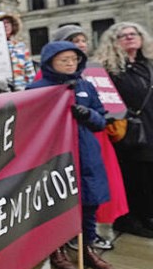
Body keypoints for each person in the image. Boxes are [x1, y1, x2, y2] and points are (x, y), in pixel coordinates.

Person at [27, 41, 115, 269]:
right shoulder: (37, 89)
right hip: (55, 156)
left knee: (89, 202)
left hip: (86, 154)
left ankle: (86, 248)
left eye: (73, 59)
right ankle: (56, 249)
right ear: (50, 61)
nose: (69, 63)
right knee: (56, 203)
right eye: (63, 59)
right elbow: (29, 124)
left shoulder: (85, 86)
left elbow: (101, 120)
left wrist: (88, 115)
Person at [48, 24, 128, 240]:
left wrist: (89, 115)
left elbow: (100, 115)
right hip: (61, 151)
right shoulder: (43, 84)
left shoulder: (86, 82)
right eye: (75, 41)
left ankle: (89, 240)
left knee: (90, 194)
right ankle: (66, 241)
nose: (81, 45)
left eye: (83, 41)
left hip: (89, 144)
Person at [94, 22, 153, 239]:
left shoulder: (147, 64)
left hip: (149, 124)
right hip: (128, 131)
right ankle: (129, 220)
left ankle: (147, 216)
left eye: (133, 33)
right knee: (133, 175)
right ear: (114, 41)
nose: (129, 37)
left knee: (148, 175)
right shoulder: (108, 69)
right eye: (123, 35)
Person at [0, 10, 35, 90]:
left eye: (8, 22)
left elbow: (30, 72)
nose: (6, 26)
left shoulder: (20, 47)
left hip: (22, 93)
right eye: (1, 23)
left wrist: (32, 90)